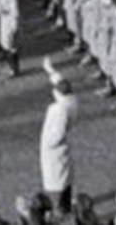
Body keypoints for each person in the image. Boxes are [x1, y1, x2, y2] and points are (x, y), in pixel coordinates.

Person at [40, 57, 77, 215]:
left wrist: (47, 145)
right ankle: (64, 205)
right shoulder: (71, 100)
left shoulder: (60, 110)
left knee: (55, 180)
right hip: (62, 148)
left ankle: (59, 209)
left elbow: (57, 134)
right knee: (65, 177)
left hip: (54, 149)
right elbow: (60, 82)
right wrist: (51, 71)